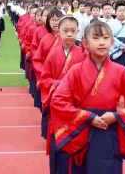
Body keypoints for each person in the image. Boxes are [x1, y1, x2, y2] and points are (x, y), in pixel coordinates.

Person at [50, 21, 125, 174]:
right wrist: (87, 116)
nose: (101, 42)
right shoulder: (76, 71)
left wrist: (117, 116)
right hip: (82, 131)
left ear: (112, 42)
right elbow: (58, 101)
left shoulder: (121, 71)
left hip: (109, 132)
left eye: (106, 38)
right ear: (85, 43)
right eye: (95, 38)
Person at [38, 16, 87, 170]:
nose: (70, 34)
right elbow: (44, 80)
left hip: (77, 105)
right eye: (66, 31)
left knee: (78, 146)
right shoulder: (53, 54)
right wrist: (59, 85)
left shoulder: (83, 53)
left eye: (73, 31)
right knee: (59, 145)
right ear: (58, 32)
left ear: (78, 32)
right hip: (58, 108)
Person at [32, 8, 63, 134]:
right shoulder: (45, 39)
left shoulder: (67, 39)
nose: (55, 23)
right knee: (49, 108)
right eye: (53, 20)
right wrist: (43, 74)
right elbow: (37, 59)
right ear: (48, 22)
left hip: (64, 79)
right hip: (49, 79)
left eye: (58, 20)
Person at [109, 2, 125, 68]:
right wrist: (121, 46)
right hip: (115, 51)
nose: (122, 12)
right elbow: (109, 38)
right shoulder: (110, 24)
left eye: (124, 11)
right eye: (120, 10)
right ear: (115, 12)